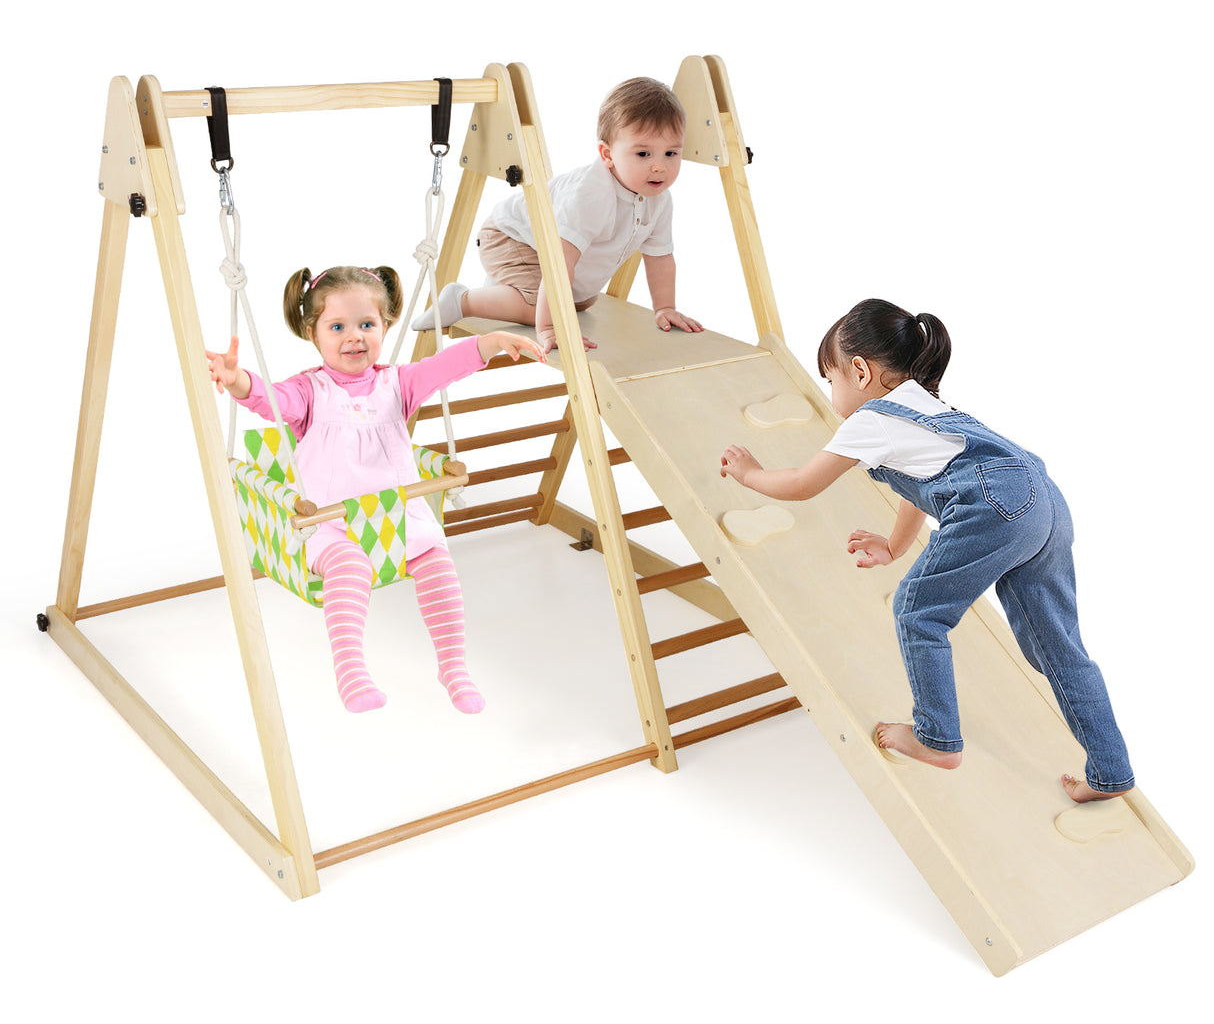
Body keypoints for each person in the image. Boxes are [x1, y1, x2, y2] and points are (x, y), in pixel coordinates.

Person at [719, 298, 1133, 804]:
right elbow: (919, 484)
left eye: (831, 381)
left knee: (917, 611)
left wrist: (750, 473)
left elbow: (804, 484)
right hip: (1042, 498)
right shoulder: (927, 404)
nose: (832, 394)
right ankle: (1110, 771)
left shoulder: (869, 420)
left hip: (994, 506)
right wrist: (894, 546)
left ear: (860, 370)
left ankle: (936, 738)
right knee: (1057, 646)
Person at [206, 264, 545, 715]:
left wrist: (489, 344)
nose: (355, 337)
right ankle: (351, 669)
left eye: (367, 324)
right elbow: (272, 400)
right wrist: (238, 380)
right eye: (338, 326)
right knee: (350, 566)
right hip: (330, 526)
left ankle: (453, 665)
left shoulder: (397, 385)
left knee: (439, 563)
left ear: (385, 325)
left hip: (399, 519)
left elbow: (442, 367)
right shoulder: (311, 391)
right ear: (313, 332)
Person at [412, 76, 703, 353]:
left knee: (582, 301)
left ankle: (506, 292)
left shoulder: (660, 200)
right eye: (643, 154)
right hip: (511, 237)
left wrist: (665, 308)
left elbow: (660, 258)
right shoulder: (592, 196)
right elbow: (559, 262)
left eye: (671, 154)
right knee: (539, 308)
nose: (659, 167)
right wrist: (550, 327)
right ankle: (461, 300)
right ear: (607, 155)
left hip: (553, 254)